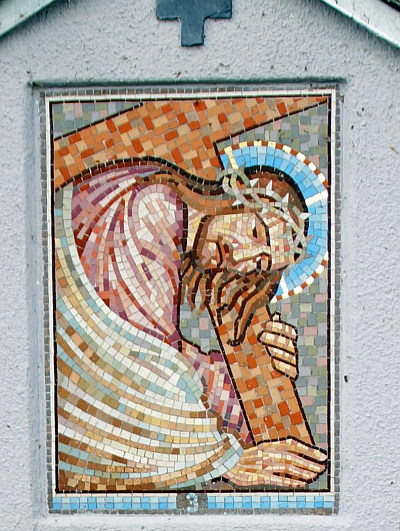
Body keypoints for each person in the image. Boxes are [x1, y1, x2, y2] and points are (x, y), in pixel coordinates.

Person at [55, 158, 326, 491]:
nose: (241, 257)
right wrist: (225, 460)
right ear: (236, 194)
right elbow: (141, 368)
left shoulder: (175, 227)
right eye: (255, 231)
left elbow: (162, 352)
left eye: (260, 263)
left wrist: (264, 369)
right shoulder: (154, 204)